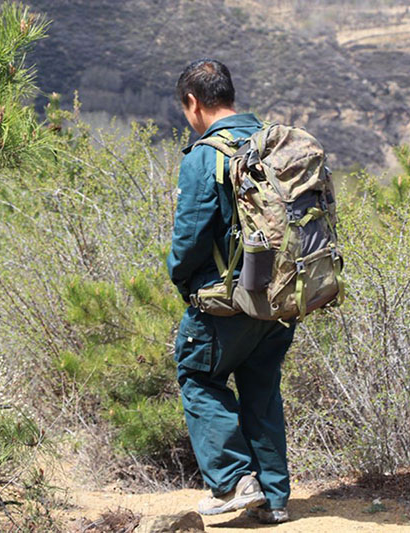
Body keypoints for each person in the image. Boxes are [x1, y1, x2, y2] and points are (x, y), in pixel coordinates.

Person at [167, 58, 295, 524]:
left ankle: (235, 481)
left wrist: (178, 276)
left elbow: (192, 234)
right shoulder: (271, 142)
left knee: (199, 378)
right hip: (281, 298)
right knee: (262, 392)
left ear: (193, 103)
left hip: (227, 302)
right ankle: (275, 500)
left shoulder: (206, 154)